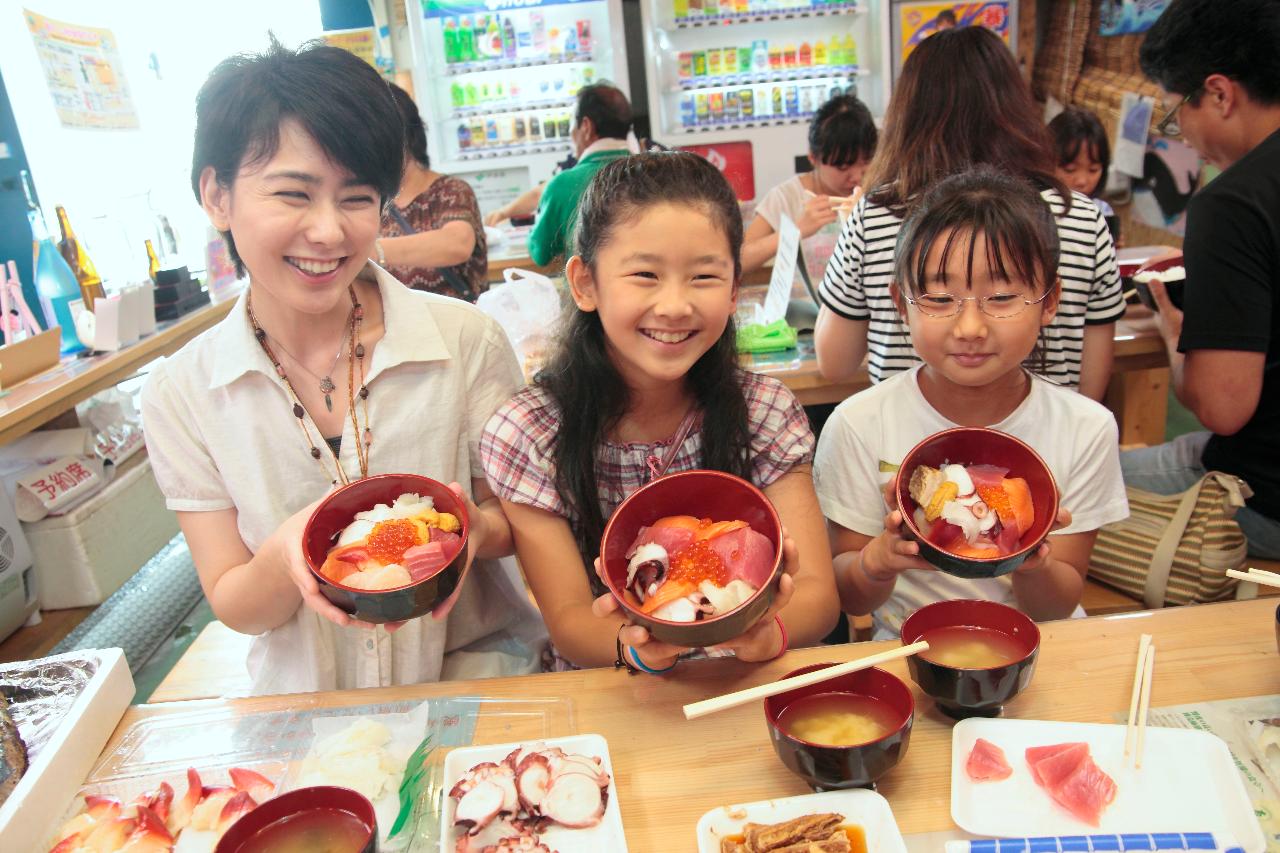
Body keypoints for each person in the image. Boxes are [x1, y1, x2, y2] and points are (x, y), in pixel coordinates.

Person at [141, 41, 542, 696]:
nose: (329, 232)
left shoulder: (465, 340)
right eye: (293, 194)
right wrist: (284, 553)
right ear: (217, 195)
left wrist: (465, 528)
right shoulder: (182, 392)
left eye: (357, 198)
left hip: (475, 677)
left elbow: (518, 523)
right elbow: (235, 600)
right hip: (309, 703)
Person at [481, 152, 840, 672]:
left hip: (745, 680)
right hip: (613, 691)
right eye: (645, 274)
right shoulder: (532, 432)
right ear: (585, 283)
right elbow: (573, 621)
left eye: (703, 277)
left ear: (735, 287)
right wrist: (639, 648)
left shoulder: (763, 411)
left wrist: (769, 634)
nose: (675, 305)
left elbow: (816, 596)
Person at [813, 167, 1129, 639]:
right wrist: (878, 562)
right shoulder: (859, 424)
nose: (969, 328)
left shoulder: (1086, 428)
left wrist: (1032, 559)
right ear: (901, 304)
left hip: (1043, 646)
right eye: (939, 299)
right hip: (908, 647)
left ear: (1049, 302)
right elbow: (852, 597)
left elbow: (1057, 606)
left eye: (1001, 297)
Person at [814, 26, 1126, 402]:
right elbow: (1091, 384)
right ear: (1016, 104)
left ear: (906, 115)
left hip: (908, 451)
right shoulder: (1082, 216)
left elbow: (834, 363)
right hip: (1045, 452)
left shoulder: (875, 215)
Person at [1123, 0, 1280, 558]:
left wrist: (1174, 336)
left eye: (1174, 114)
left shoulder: (1234, 204)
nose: (1181, 134)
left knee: (1072, 490)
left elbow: (1223, 406)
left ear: (1219, 93)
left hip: (1263, 500)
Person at [741, 94, 877, 282]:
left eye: (865, 162)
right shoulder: (787, 196)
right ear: (813, 158)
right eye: (843, 167)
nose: (856, 176)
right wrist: (795, 231)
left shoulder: (876, 189)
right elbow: (740, 259)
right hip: (807, 309)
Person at [375, 83, 487, 300]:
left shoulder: (451, 192)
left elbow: (457, 244)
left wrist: (370, 251)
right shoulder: (371, 200)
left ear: (407, 136)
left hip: (454, 329)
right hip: (393, 330)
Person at [527, 83, 633, 267]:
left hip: (587, 294)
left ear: (586, 126)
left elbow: (540, 253)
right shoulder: (656, 174)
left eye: (571, 124)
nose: (570, 132)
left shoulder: (563, 184)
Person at [1048, 106, 1120, 244]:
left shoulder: (1102, 211)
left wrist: (1112, 248)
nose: (1082, 181)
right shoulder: (1037, 210)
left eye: (1093, 170)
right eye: (1070, 169)